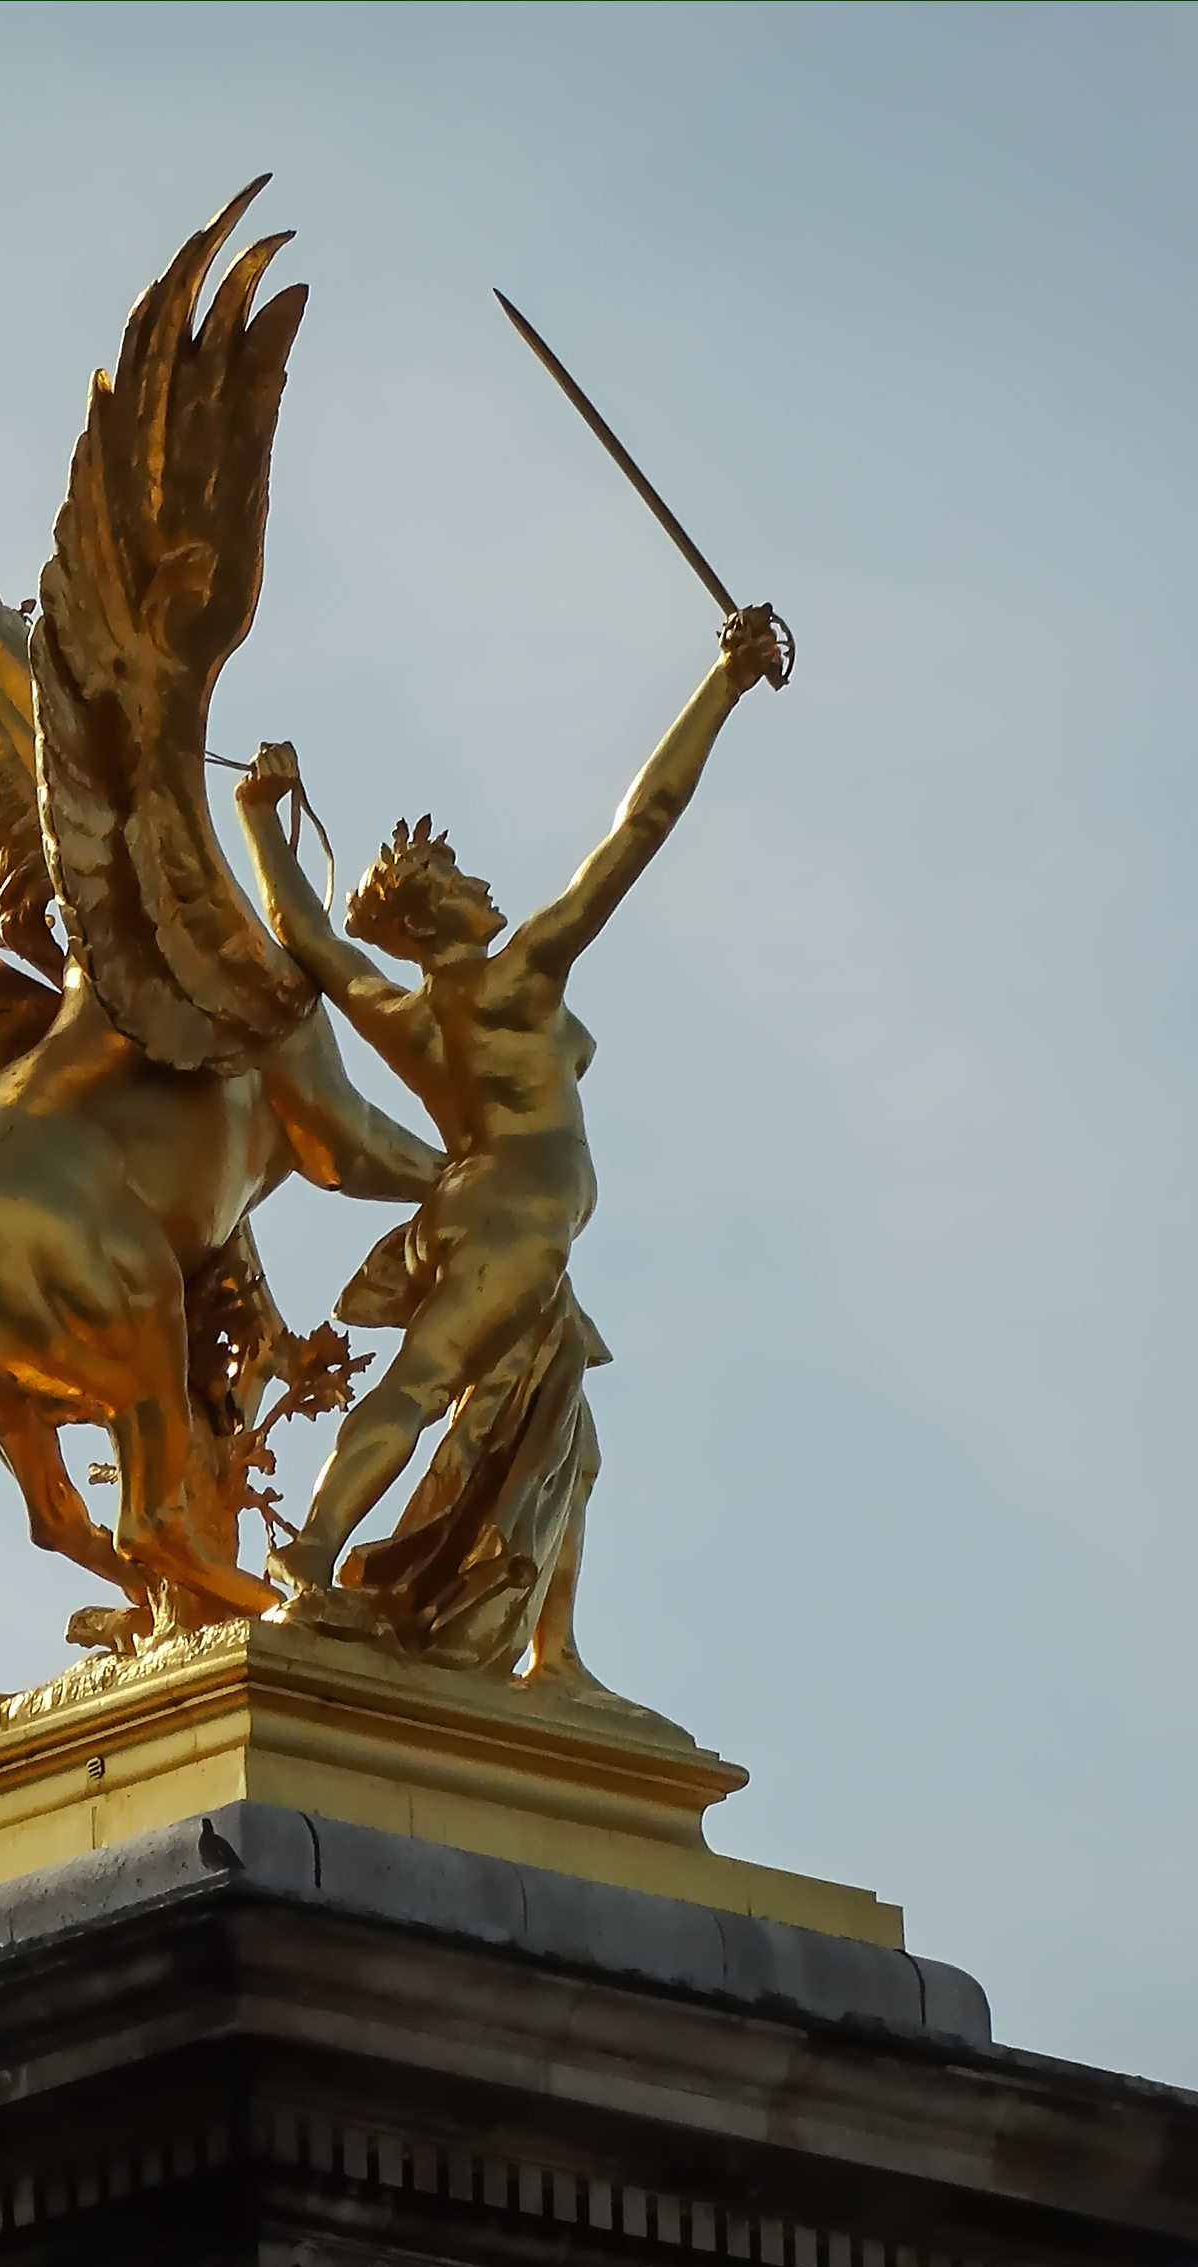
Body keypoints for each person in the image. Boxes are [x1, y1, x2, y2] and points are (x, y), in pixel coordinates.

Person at [233, 605, 788, 1611]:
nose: (480, 878)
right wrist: (724, 683)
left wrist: (258, 819)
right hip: (515, 1217)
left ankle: (542, 1647)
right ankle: (311, 1552)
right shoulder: (518, 981)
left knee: (556, 1437)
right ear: (429, 913)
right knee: (423, 1381)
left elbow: (306, 933)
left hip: (480, 1211)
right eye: (453, 874)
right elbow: (640, 828)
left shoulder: (404, 1013)